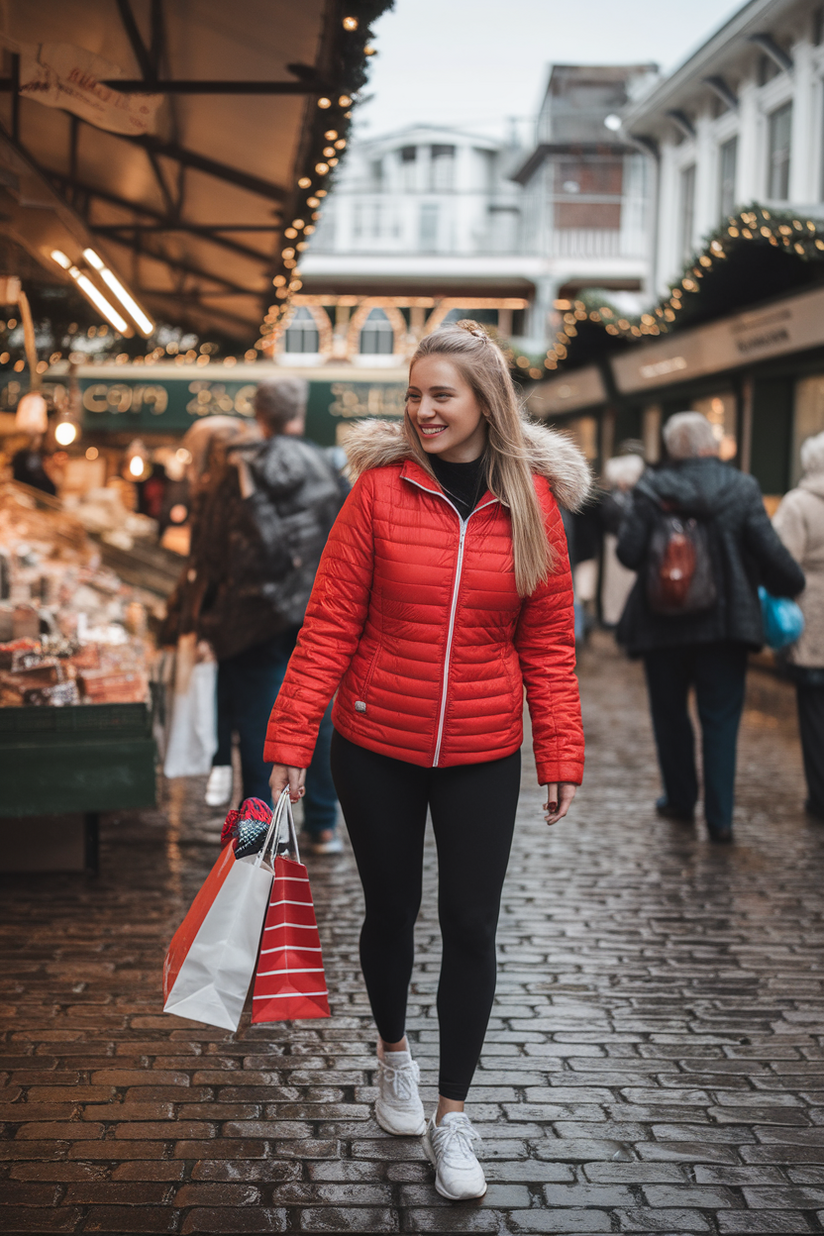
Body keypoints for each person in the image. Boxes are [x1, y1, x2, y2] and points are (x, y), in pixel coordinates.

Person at [264, 322, 590, 1200]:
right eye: (414, 394)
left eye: (440, 394)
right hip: (376, 742)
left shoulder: (532, 501)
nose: (422, 410)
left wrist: (559, 747)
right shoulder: (377, 492)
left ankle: (454, 1116)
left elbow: (549, 643)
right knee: (392, 913)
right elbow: (330, 619)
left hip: (484, 749)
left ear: (486, 400)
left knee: (473, 927)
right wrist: (293, 740)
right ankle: (393, 1057)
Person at [167, 382, 346, 853]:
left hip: (249, 616)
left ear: (258, 414)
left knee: (257, 722)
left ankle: (258, 832)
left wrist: (199, 618)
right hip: (315, 611)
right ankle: (323, 825)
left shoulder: (236, 466)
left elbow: (208, 549)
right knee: (321, 716)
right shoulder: (327, 467)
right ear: (300, 414)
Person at [617, 411, 805, 843]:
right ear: (711, 445)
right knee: (720, 720)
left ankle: (679, 800)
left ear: (670, 448)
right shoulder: (740, 487)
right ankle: (720, 817)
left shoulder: (650, 488)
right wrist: (792, 583)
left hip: (661, 624)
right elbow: (768, 549)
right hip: (724, 626)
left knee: (670, 717)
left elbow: (628, 554)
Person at [773, 431, 824, 822]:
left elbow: (782, 563)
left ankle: (819, 793)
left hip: (813, 614)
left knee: (814, 709)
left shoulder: (797, 504)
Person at [600, 452, 645, 627]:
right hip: (613, 542)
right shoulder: (612, 499)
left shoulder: (636, 498)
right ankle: (613, 616)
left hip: (628, 543)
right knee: (614, 584)